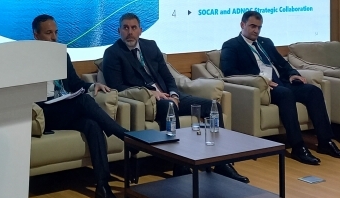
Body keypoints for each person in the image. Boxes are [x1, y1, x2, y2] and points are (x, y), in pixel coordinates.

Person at [102, 13, 247, 182]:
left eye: (133, 28)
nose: (130, 32)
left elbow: (167, 76)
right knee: (169, 107)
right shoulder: (112, 53)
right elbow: (117, 87)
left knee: (212, 106)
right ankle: (180, 166)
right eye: (125, 28)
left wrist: (174, 94)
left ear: (140, 30)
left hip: (169, 95)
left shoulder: (150, 46)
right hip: (148, 101)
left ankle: (222, 162)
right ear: (119, 31)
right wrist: (150, 92)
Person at [220, 11, 340, 165]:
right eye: (252, 26)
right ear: (242, 25)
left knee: (313, 91)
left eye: (259, 27)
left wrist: (293, 74)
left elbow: (282, 63)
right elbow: (230, 72)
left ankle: (325, 141)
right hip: (263, 88)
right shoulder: (231, 45)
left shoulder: (266, 42)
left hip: (281, 82)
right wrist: (260, 80)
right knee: (286, 94)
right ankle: (298, 146)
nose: (256, 31)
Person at [32, 15, 130, 198]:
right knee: (84, 100)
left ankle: (103, 185)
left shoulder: (62, 55)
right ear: (36, 35)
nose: (54, 37)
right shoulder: (28, 59)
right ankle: (124, 135)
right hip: (46, 112)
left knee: (92, 125)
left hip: (65, 108)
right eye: (48, 33)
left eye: (56, 32)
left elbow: (75, 83)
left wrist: (93, 85)